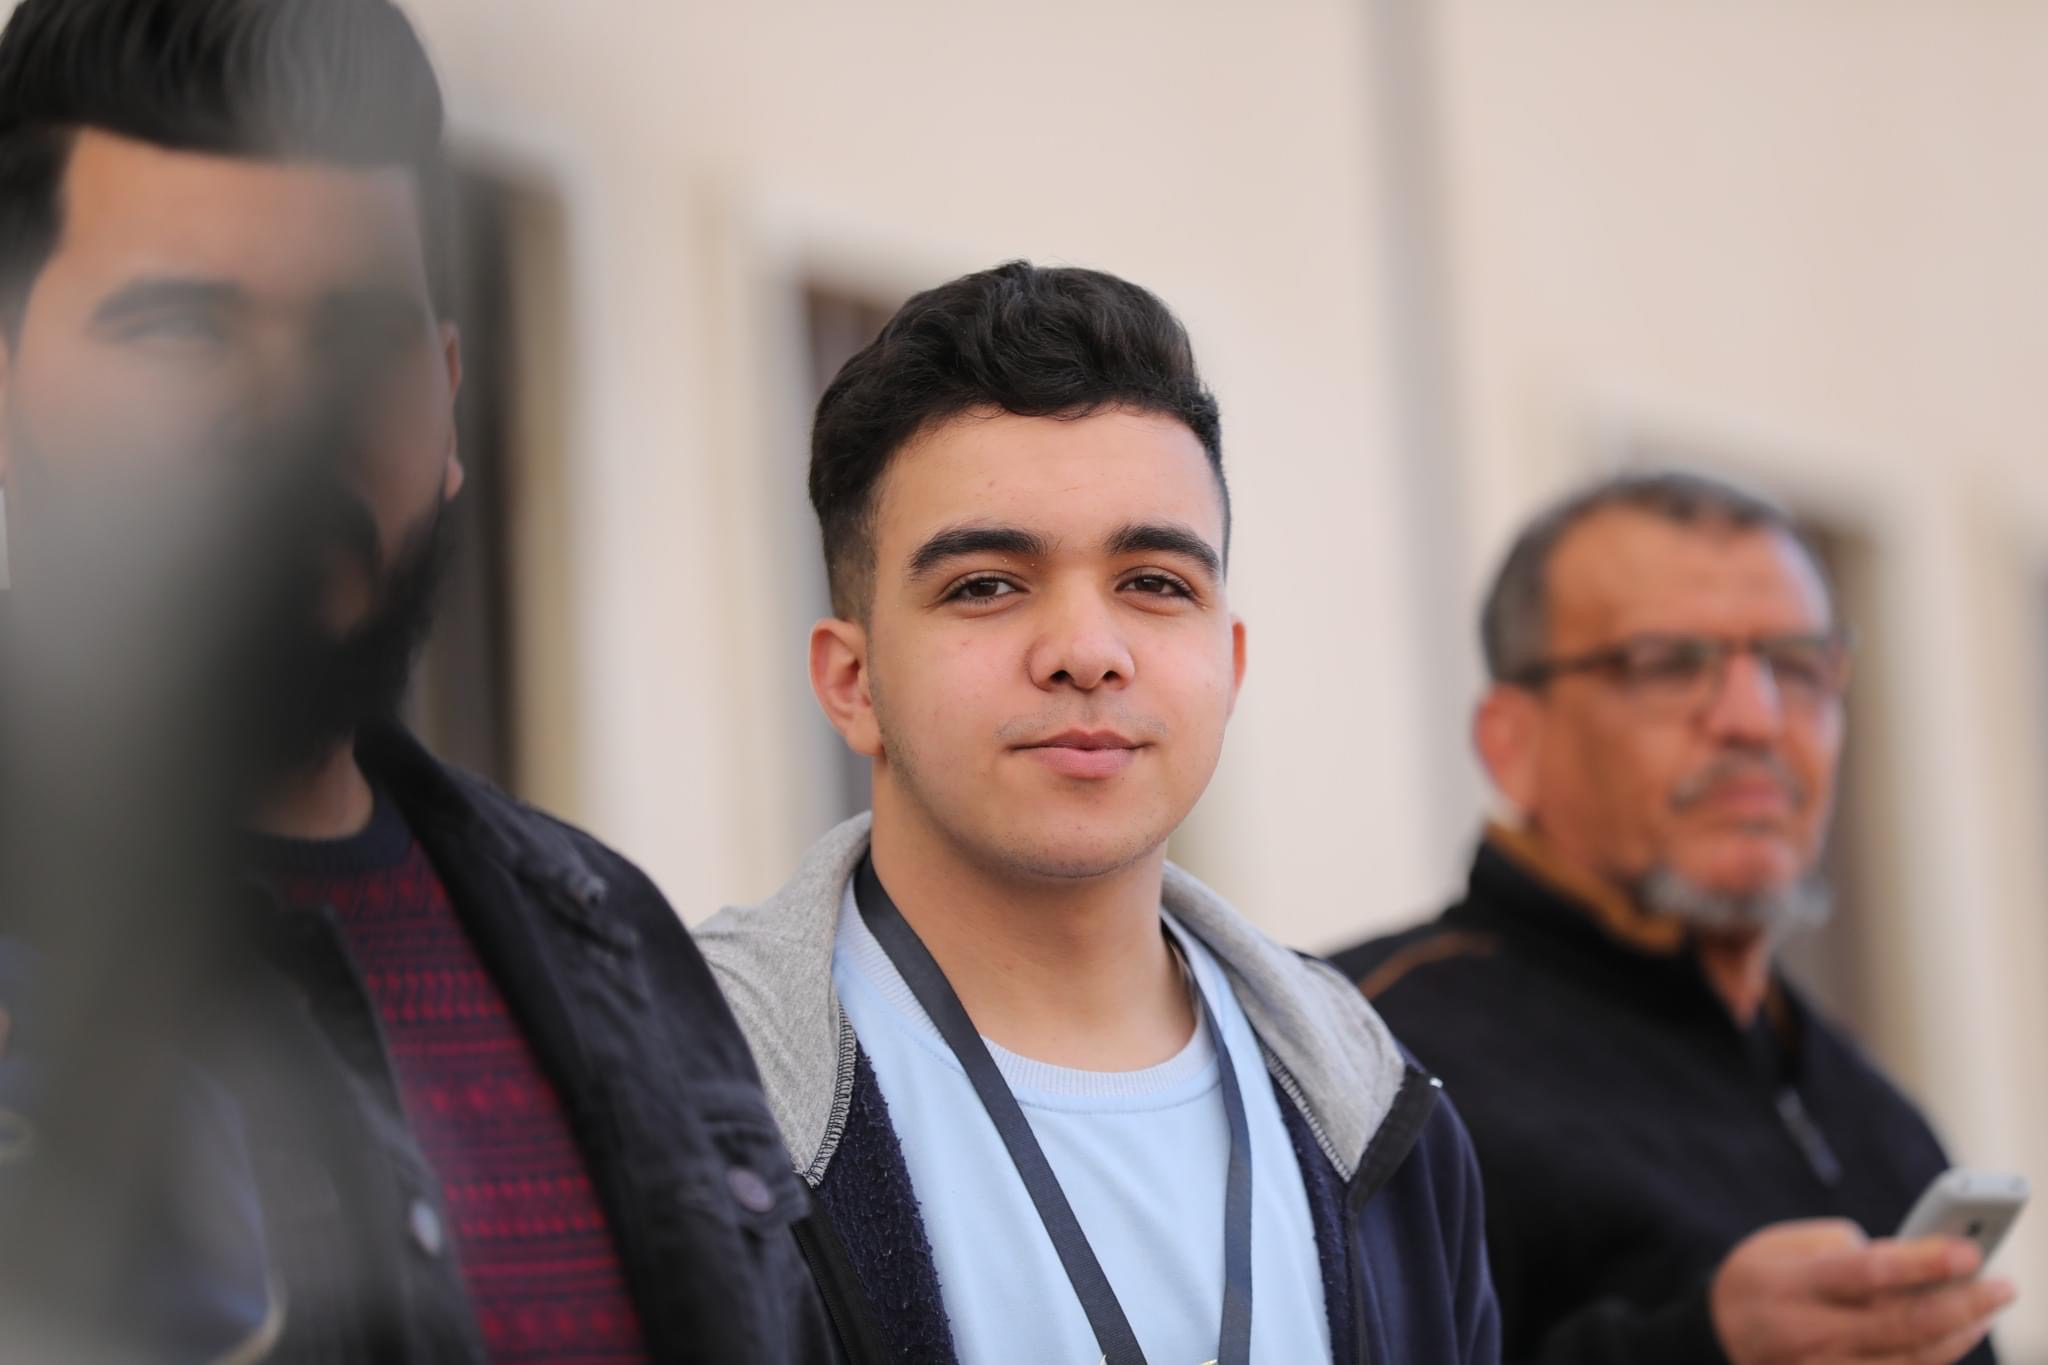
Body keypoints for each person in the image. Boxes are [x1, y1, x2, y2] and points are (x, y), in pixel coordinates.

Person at [0, 0, 831, 1358]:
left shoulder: (615, 939)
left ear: (447, 400)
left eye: (354, 340)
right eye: (182, 328)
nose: (285, 419)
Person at [698, 260, 1500, 1365]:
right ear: (852, 682)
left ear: (1228, 665)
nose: (1086, 651)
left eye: (1155, 582)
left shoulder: (1379, 1113)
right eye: (985, 584)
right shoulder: (685, 1090)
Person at [1332, 470, 2014, 1365]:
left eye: (1797, 665)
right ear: (1511, 741)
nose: (1755, 718)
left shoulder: (1870, 1110)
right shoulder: (1362, 1055)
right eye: (1667, 664)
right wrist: (1705, 1348)